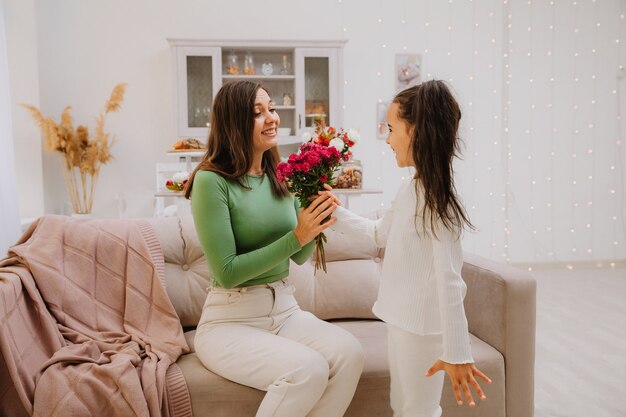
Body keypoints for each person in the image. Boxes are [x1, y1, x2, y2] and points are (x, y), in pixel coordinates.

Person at [184, 80, 365, 417]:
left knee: (350, 353)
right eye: (257, 113)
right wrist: (298, 235)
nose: (271, 118)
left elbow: (298, 255)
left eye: (271, 109)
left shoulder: (282, 177)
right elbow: (227, 272)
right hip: (229, 321)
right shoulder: (211, 181)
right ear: (233, 122)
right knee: (306, 370)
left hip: (284, 310)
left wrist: (316, 221)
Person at [323, 80, 491, 417]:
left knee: (418, 410)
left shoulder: (438, 201)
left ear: (416, 131)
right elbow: (377, 236)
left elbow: (450, 279)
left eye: (392, 129)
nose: (386, 139)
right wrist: (334, 210)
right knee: (402, 406)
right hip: (401, 321)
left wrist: (457, 352)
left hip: (423, 330)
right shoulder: (413, 189)